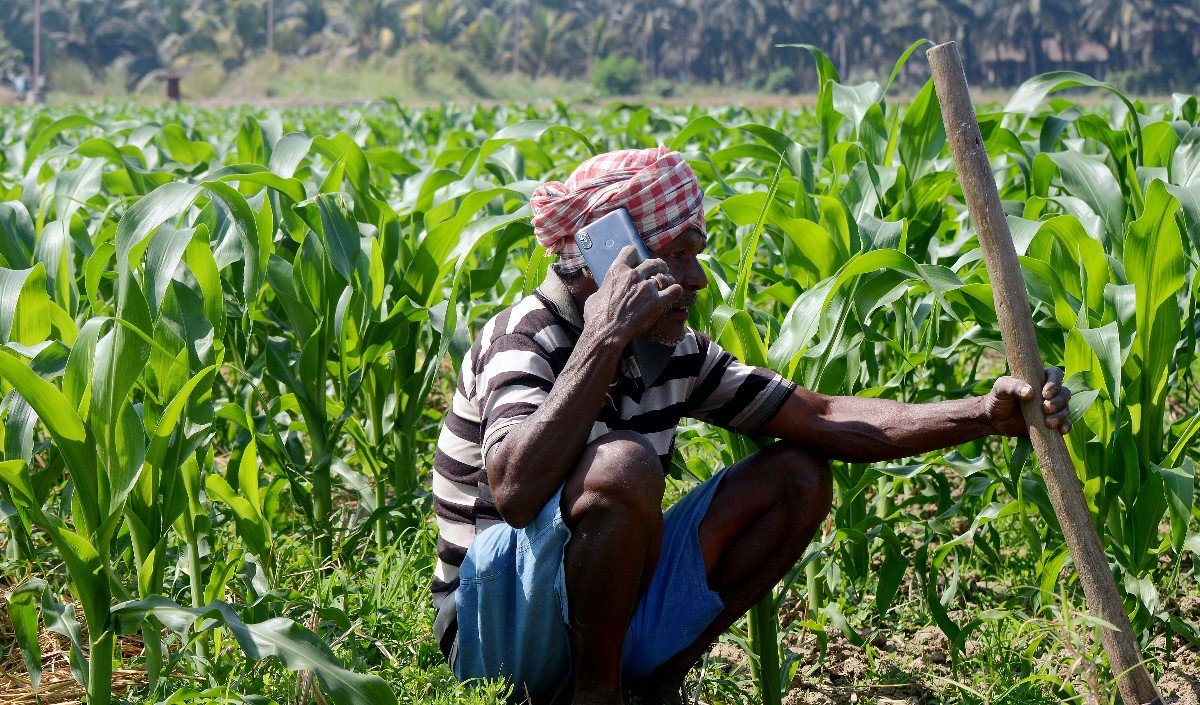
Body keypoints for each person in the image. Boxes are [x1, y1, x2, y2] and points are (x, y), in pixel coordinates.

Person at [430, 146, 1071, 705]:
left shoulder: (671, 352)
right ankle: (598, 699)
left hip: (595, 616)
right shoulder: (524, 338)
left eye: (696, 255)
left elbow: (823, 418)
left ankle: (652, 684)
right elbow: (515, 492)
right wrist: (604, 336)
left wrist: (982, 416)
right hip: (495, 631)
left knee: (797, 476)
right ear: (609, 261)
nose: (696, 279)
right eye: (677, 256)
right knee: (623, 465)